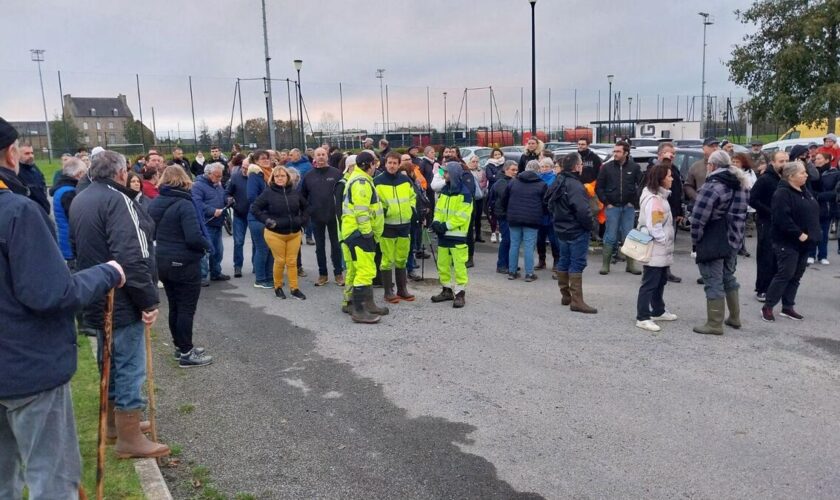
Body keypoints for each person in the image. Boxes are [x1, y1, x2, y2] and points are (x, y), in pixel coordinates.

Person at [0, 123, 126, 498]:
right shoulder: (17, 211)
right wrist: (107, 272)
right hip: (27, 367)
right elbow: (51, 293)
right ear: (10, 154)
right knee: (51, 480)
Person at [70, 150, 169, 458]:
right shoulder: (118, 200)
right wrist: (148, 300)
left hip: (96, 291)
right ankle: (127, 435)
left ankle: (116, 425)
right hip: (120, 297)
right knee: (129, 364)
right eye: (126, 170)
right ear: (120, 172)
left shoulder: (81, 198)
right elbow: (133, 255)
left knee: (109, 359)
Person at [147, 166, 213, 367]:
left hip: (162, 259)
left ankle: (180, 346)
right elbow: (193, 236)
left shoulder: (155, 202)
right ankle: (186, 352)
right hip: (184, 262)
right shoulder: (185, 204)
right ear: (184, 180)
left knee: (175, 306)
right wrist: (206, 246)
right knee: (186, 308)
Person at [689, 150, 749, 335]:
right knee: (728, 277)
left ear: (712, 166)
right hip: (734, 238)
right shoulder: (742, 184)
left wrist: (696, 240)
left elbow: (699, 218)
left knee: (713, 280)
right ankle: (734, 317)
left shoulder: (713, 186)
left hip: (714, 239)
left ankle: (714, 323)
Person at [761, 161, 821, 322]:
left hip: (806, 242)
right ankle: (768, 306)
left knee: (796, 276)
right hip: (787, 242)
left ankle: (788, 307)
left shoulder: (804, 190)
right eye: (802, 173)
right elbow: (782, 219)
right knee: (785, 273)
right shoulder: (782, 193)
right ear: (791, 176)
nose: (806, 175)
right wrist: (799, 234)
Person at [340, 151, 389, 323]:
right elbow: (361, 212)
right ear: (368, 165)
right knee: (365, 271)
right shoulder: (361, 182)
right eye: (374, 163)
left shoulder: (361, 179)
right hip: (360, 234)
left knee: (363, 269)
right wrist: (368, 232)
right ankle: (360, 311)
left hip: (355, 232)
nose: (376, 166)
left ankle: (368, 304)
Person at [546, 152, 597, 313]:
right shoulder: (575, 185)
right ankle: (576, 300)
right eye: (580, 164)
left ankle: (566, 295)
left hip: (561, 228)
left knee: (564, 260)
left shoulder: (558, 180)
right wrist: (589, 225)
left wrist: (558, 218)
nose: (582, 167)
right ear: (576, 167)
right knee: (576, 263)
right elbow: (582, 210)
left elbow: (547, 201)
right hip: (575, 230)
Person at [252, 166, 309, 300]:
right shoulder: (268, 193)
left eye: (282, 176)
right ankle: (278, 287)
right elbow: (255, 208)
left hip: (294, 233)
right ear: (273, 178)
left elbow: (306, 207)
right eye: (277, 176)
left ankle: (294, 289)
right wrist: (266, 220)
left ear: (287, 177)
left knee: (292, 261)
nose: (280, 178)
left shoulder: (294, 192)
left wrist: (302, 220)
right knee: (280, 260)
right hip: (275, 233)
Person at [634, 162, 678, 331]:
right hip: (656, 247)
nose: (672, 178)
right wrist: (664, 240)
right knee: (650, 282)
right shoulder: (654, 200)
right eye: (668, 176)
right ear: (661, 179)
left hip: (660, 248)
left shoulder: (659, 197)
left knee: (660, 280)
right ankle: (643, 316)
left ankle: (658, 310)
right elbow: (654, 225)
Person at [596, 141, 643, 275]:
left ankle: (630, 265)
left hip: (628, 208)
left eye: (618, 151)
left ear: (626, 153)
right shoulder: (606, 167)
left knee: (628, 236)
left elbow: (641, 185)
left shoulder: (634, 167)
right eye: (614, 151)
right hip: (612, 207)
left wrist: (633, 202)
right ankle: (606, 265)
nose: (615, 154)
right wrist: (606, 203)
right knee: (610, 236)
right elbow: (599, 187)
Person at [375, 152, 417, 303]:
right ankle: (388, 291)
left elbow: (413, 197)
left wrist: (411, 210)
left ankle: (402, 289)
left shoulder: (405, 180)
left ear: (399, 164)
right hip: (387, 225)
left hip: (404, 225)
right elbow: (375, 203)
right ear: (384, 164)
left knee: (401, 258)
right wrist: (385, 212)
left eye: (394, 163)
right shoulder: (377, 182)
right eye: (389, 163)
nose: (392, 166)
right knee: (387, 259)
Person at [430, 161, 473, 307]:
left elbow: (462, 216)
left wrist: (444, 226)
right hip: (443, 235)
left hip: (457, 236)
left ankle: (460, 293)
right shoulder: (444, 190)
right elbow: (438, 210)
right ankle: (447, 290)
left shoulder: (465, 193)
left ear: (453, 174)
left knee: (459, 266)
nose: (444, 175)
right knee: (443, 264)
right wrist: (436, 222)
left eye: (446, 172)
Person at [301, 147, 344, 286]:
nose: (320, 157)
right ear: (314, 157)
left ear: (327, 156)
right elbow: (302, 196)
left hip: (334, 215)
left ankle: (338, 274)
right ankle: (323, 274)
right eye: (318, 155)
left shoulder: (337, 173)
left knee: (336, 246)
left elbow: (343, 194)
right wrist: (309, 210)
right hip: (316, 216)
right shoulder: (308, 175)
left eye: (323, 154)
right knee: (319, 247)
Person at [749, 150, 787, 301]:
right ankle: (762, 288)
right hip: (766, 222)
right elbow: (752, 199)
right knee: (766, 255)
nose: (784, 164)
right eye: (781, 161)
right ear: (773, 162)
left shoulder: (786, 178)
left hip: (782, 223)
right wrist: (769, 212)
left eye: (786, 161)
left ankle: (775, 287)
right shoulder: (765, 179)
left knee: (779, 256)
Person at [502, 160, 547, 282]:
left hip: (514, 217)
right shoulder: (541, 184)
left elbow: (504, 199)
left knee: (514, 244)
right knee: (529, 246)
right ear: (538, 170)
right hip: (532, 219)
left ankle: (512, 272)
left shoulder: (513, 182)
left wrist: (509, 212)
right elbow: (545, 204)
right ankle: (529, 274)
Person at [192, 163, 230, 285]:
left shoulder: (217, 185)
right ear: (208, 173)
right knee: (205, 251)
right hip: (206, 223)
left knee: (218, 250)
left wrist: (227, 200)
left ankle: (216, 272)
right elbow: (197, 203)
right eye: (217, 176)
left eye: (220, 176)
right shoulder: (198, 186)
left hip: (218, 223)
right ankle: (202, 276)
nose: (219, 179)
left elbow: (222, 197)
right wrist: (212, 211)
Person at [50, 157, 87, 264]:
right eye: (84, 173)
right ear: (79, 174)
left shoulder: (63, 189)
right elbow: (76, 220)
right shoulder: (69, 193)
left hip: (66, 242)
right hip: (71, 247)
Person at [247, 151, 276, 288]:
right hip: (257, 218)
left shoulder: (270, 174)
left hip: (270, 217)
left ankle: (269, 277)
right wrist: (269, 203)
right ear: (256, 161)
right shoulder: (255, 175)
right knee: (262, 249)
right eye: (262, 159)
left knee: (270, 249)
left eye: (267, 158)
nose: (266, 160)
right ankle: (260, 279)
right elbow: (252, 196)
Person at [489, 160, 518, 273]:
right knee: (506, 240)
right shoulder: (501, 182)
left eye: (516, 170)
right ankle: (501, 265)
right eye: (512, 170)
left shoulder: (510, 180)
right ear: (506, 170)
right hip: (504, 214)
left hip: (509, 214)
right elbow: (507, 197)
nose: (515, 172)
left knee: (510, 240)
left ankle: (509, 263)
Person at [812, 152, 840, 263]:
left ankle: (823, 256)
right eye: (816, 158)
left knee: (824, 232)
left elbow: (835, 192)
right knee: (812, 231)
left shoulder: (834, 173)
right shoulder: (812, 173)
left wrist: (819, 196)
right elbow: (809, 189)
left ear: (827, 160)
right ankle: (811, 255)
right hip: (813, 206)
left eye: (819, 158)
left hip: (827, 207)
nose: (816, 160)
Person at [225, 154, 250, 277]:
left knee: (257, 242)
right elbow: (227, 192)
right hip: (239, 214)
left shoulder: (258, 177)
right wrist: (229, 199)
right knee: (238, 242)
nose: (244, 170)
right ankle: (238, 266)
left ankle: (257, 266)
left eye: (247, 168)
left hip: (254, 215)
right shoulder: (235, 177)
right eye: (243, 167)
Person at [536, 157, 560, 274]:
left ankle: (556, 261)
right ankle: (542, 260)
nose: (544, 169)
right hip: (539, 213)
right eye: (542, 166)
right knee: (539, 239)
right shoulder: (537, 178)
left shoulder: (555, 179)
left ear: (551, 168)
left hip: (551, 214)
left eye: (547, 166)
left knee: (554, 239)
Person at [732, 153, 758, 257]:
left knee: (743, 227)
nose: (734, 164)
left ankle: (741, 247)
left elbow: (754, 186)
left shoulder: (750, 173)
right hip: (736, 205)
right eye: (733, 161)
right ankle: (739, 247)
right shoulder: (731, 173)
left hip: (747, 204)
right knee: (738, 227)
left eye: (737, 162)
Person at [465, 154, 486, 267]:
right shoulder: (466, 173)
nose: (475, 163)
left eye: (477, 161)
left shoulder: (476, 173)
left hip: (475, 200)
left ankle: (470, 257)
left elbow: (483, 181)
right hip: (469, 203)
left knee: (475, 222)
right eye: (473, 161)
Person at [16, 143, 50, 214]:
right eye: (27, 153)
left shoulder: (35, 169)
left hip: (43, 211)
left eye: (32, 153)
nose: (31, 156)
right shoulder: (16, 172)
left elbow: (43, 186)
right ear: (18, 155)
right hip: (29, 214)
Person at [484, 148, 506, 242]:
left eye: (499, 154)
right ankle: (493, 233)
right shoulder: (489, 165)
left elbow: (506, 175)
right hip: (493, 191)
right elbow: (489, 177)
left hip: (503, 190)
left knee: (501, 212)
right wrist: (499, 176)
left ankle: (501, 233)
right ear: (492, 156)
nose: (497, 156)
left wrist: (495, 176)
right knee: (493, 213)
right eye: (495, 154)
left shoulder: (505, 164)